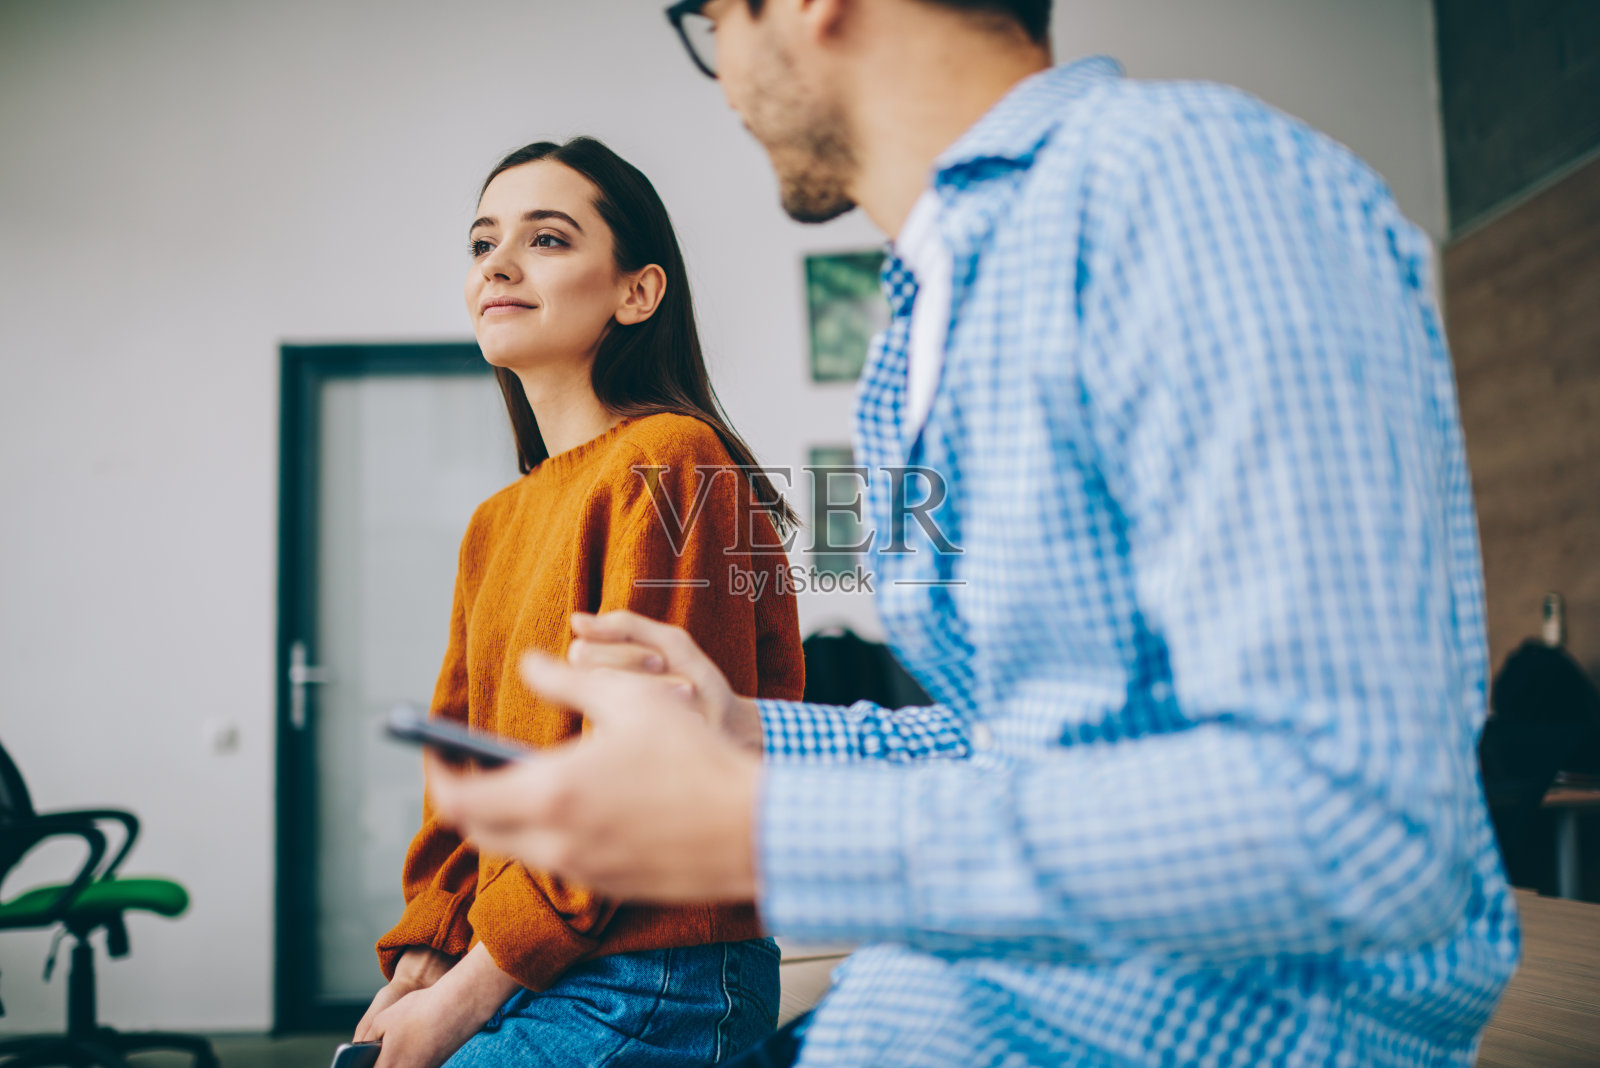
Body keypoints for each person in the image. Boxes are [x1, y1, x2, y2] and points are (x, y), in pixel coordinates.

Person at [426, 2, 1521, 1065]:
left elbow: (1361, 822)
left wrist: (770, 827)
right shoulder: (930, 317)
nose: (721, 75)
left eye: (712, 16)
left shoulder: (1181, 186)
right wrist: (749, 736)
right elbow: (1026, 741)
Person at [353, 135, 804, 1068]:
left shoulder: (671, 461)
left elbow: (638, 784)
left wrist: (464, 1001)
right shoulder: (496, 521)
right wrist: (424, 958)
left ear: (637, 292)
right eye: (483, 244)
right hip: (526, 956)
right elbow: (463, 776)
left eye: (547, 239)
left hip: (658, 969)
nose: (499, 266)